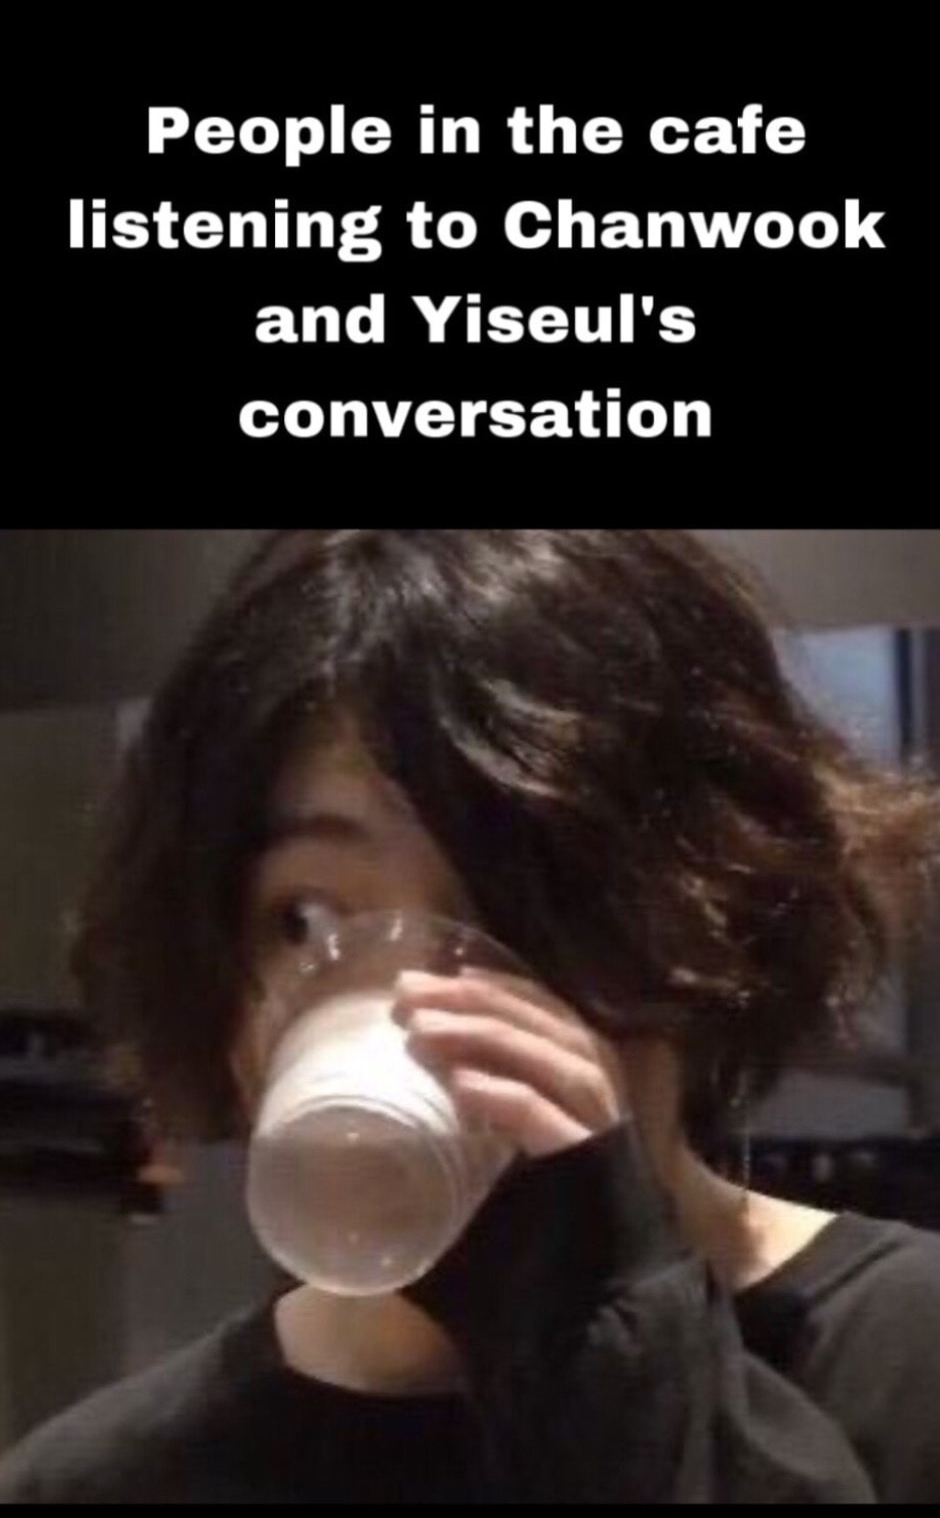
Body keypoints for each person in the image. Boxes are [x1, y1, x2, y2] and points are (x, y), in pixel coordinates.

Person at [1, 528, 938, 1503]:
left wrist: (618, 1355)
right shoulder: (104, 1478)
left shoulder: (905, 1364)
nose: (411, 1001)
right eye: (309, 918)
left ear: (709, 921)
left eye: (517, 910)